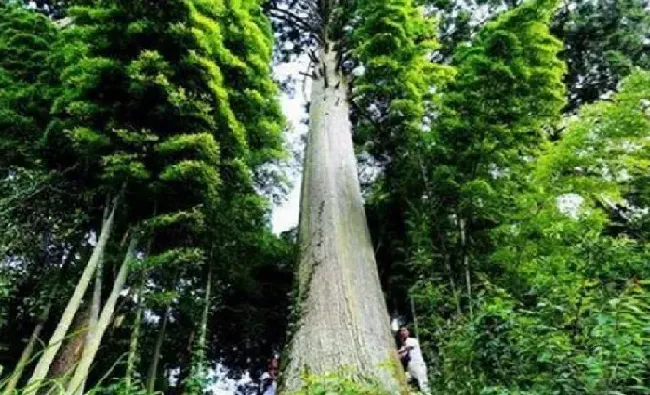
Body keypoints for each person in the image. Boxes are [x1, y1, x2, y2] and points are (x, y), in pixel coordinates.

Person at [398, 325, 431, 395]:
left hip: (418, 365)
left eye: (404, 330)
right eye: (401, 331)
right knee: (407, 380)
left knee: (424, 384)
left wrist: (395, 352)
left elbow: (406, 349)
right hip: (410, 367)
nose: (402, 332)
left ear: (408, 332)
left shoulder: (412, 340)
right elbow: (402, 355)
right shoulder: (404, 344)